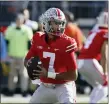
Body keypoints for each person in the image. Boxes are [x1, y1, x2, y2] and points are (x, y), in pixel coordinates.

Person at [24, 7, 78, 103]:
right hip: (46, 85)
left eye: (61, 23)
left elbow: (73, 75)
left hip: (64, 86)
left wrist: (48, 74)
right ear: (46, 22)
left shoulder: (67, 43)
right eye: (55, 23)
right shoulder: (38, 38)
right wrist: (32, 68)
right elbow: (27, 59)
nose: (59, 27)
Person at [77, 12, 108, 103]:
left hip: (80, 62)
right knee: (106, 84)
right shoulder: (105, 33)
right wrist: (105, 72)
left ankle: (92, 101)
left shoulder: (94, 32)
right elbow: (104, 55)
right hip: (89, 61)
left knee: (98, 85)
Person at [5, 13, 33, 96]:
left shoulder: (27, 30)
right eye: (17, 20)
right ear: (15, 20)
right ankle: (11, 90)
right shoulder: (10, 29)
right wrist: (7, 53)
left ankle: (24, 91)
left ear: (22, 21)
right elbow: (7, 42)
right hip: (12, 55)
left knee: (24, 74)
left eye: (20, 20)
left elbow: (29, 43)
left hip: (23, 56)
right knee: (12, 74)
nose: (18, 21)